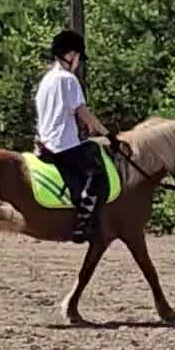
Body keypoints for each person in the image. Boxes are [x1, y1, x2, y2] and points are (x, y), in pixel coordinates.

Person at [34, 30, 110, 243]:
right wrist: (108, 135)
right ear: (70, 54)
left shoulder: (46, 80)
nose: (78, 62)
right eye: (78, 57)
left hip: (44, 142)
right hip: (63, 145)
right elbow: (84, 114)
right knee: (96, 174)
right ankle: (82, 224)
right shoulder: (68, 80)